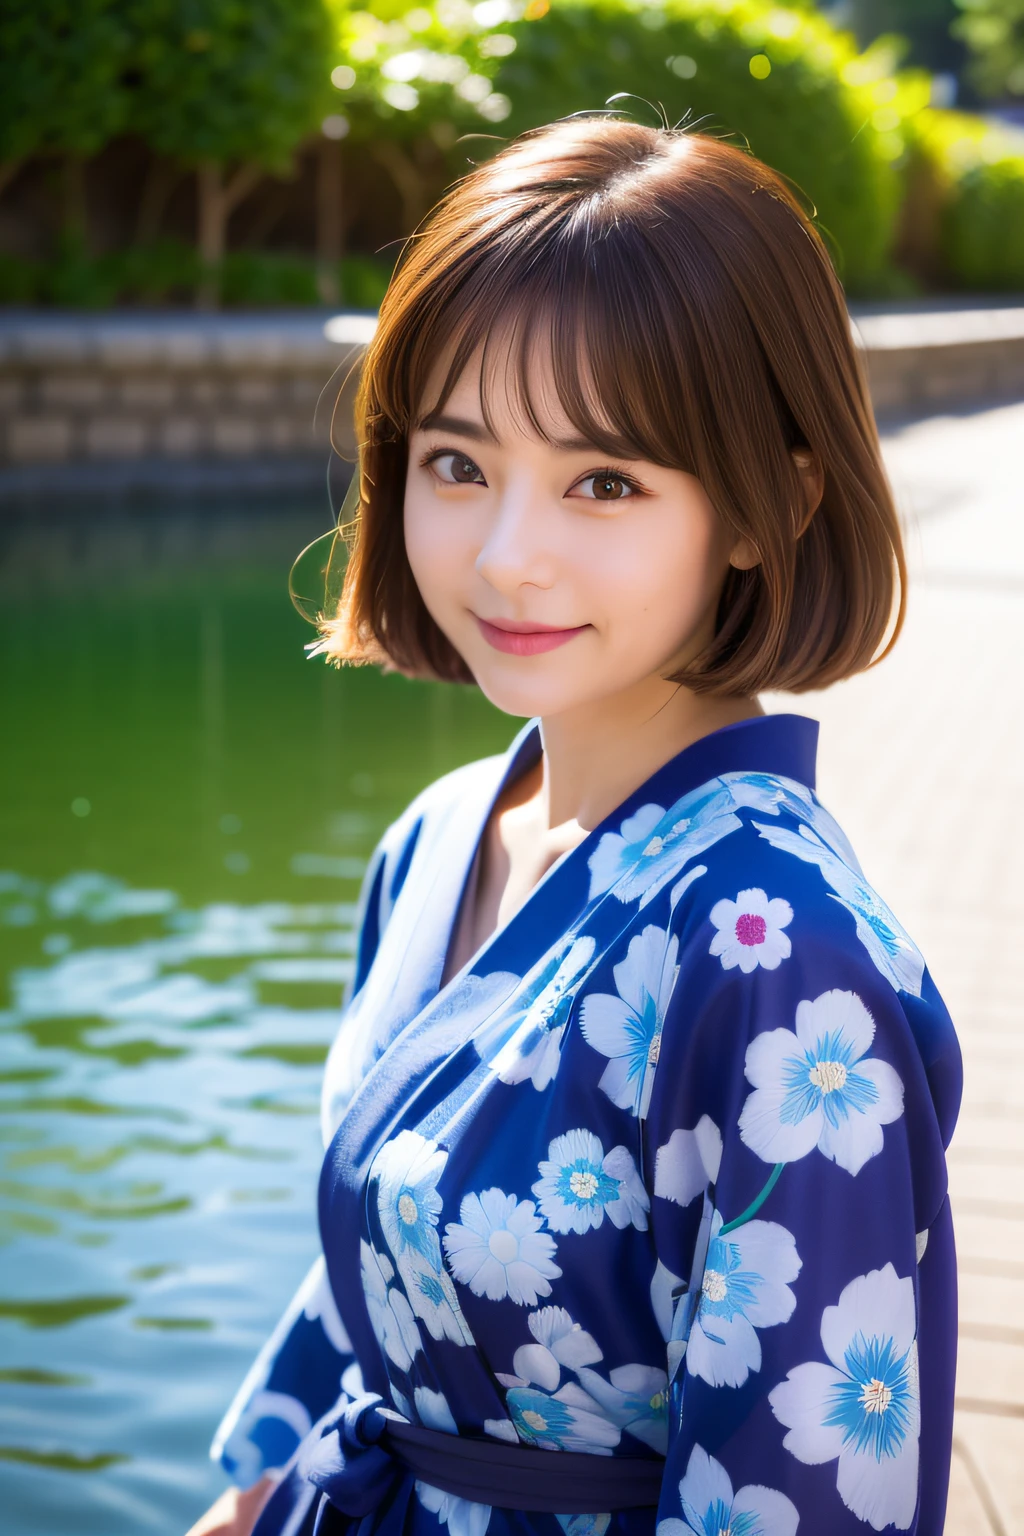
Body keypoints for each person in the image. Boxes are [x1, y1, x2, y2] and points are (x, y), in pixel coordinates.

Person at [188, 116, 961, 1536]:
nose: (503, 554)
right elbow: (380, 1240)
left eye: (605, 482)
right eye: (457, 463)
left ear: (763, 505)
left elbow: (799, 1496)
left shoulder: (779, 958)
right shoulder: (440, 835)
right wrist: (248, 1499)